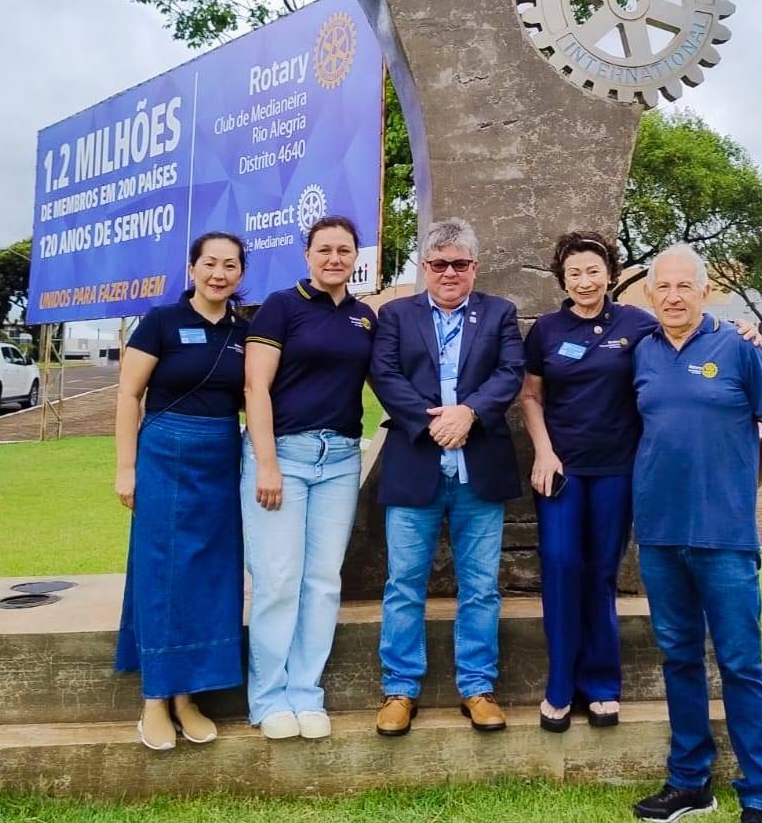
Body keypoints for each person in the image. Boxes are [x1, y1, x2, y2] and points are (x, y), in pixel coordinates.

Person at [629, 243, 762, 823]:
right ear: (650, 295)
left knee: (740, 662)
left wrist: (742, 487)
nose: (673, 296)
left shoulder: (741, 349)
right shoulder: (641, 353)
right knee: (678, 657)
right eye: (663, 287)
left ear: (705, 292)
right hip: (658, 531)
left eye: (685, 286)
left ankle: (761, 795)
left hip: (724, 536)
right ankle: (690, 782)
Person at [370, 218, 525, 737]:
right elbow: (385, 374)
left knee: (480, 586)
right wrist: (434, 420)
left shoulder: (500, 313)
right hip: (417, 462)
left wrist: (470, 413)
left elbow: (509, 373)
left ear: (475, 267)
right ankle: (399, 689)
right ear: (425, 268)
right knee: (404, 584)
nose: (450, 272)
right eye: (439, 264)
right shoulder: (394, 315)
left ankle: (478, 688)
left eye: (460, 263)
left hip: (478, 468)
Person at [241, 215, 377, 740]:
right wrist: (267, 461)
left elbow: (382, 378)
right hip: (283, 458)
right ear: (307, 254)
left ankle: (306, 692)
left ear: (355, 257)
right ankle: (269, 697)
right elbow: (256, 389)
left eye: (345, 250)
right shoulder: (281, 307)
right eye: (325, 249)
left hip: (339, 459)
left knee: (322, 583)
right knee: (277, 581)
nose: (334, 258)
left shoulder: (364, 318)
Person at [114, 231, 250, 750]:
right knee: (162, 572)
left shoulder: (244, 331)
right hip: (165, 455)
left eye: (230, 265)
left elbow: (254, 395)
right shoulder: (161, 322)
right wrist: (126, 469)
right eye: (210, 263)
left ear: (240, 273)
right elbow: (129, 395)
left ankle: (188, 697)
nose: (219, 273)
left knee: (212, 574)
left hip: (221, 458)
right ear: (192, 268)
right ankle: (155, 698)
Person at [519, 229, 655, 732]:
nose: (584, 281)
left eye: (593, 271)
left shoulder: (637, 325)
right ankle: (559, 686)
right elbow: (532, 397)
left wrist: (743, 332)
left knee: (601, 573)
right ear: (562, 278)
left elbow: (690, 337)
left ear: (611, 275)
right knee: (559, 566)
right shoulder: (547, 331)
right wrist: (544, 452)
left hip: (617, 469)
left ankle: (601, 686)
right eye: (574, 272)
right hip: (562, 470)